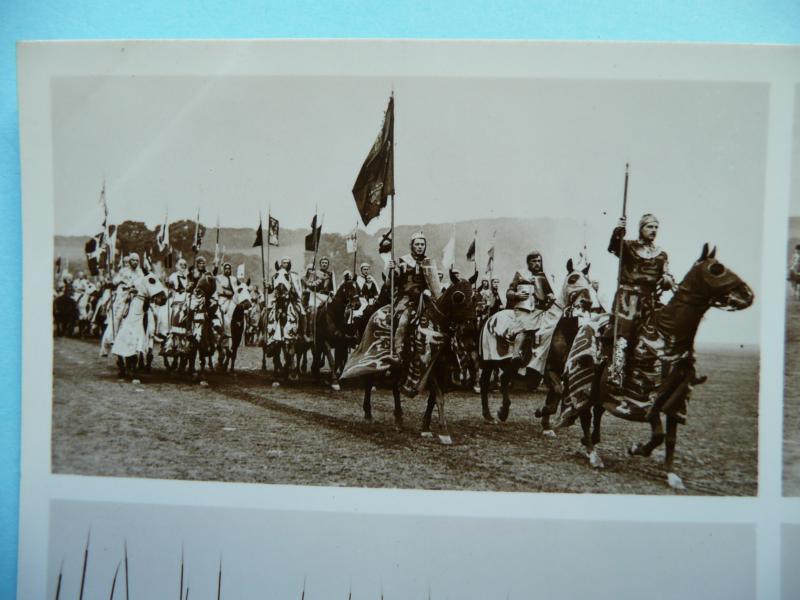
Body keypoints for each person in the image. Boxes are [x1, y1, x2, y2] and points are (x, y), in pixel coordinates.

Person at [607, 213, 676, 389]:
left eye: (656, 227)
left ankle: (661, 376)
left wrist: (667, 280)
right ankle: (616, 373)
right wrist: (619, 229)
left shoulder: (661, 255)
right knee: (624, 336)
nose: (653, 230)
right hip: (627, 300)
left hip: (649, 300)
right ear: (641, 228)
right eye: (649, 227)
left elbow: (667, 276)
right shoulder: (628, 247)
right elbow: (614, 246)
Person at [386, 231, 437, 362]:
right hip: (406, 298)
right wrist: (391, 271)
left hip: (425, 298)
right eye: (417, 244)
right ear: (412, 246)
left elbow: (435, 284)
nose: (420, 247)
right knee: (403, 321)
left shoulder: (428, 262)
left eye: (422, 244)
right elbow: (390, 284)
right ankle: (397, 352)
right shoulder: (402, 261)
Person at [505, 251, 559, 367]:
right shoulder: (520, 275)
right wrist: (516, 295)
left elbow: (549, 292)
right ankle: (516, 354)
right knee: (525, 327)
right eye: (534, 261)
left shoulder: (544, 276)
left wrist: (551, 296)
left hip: (541, 310)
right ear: (528, 263)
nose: (537, 263)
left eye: (539, 261)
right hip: (524, 310)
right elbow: (509, 292)